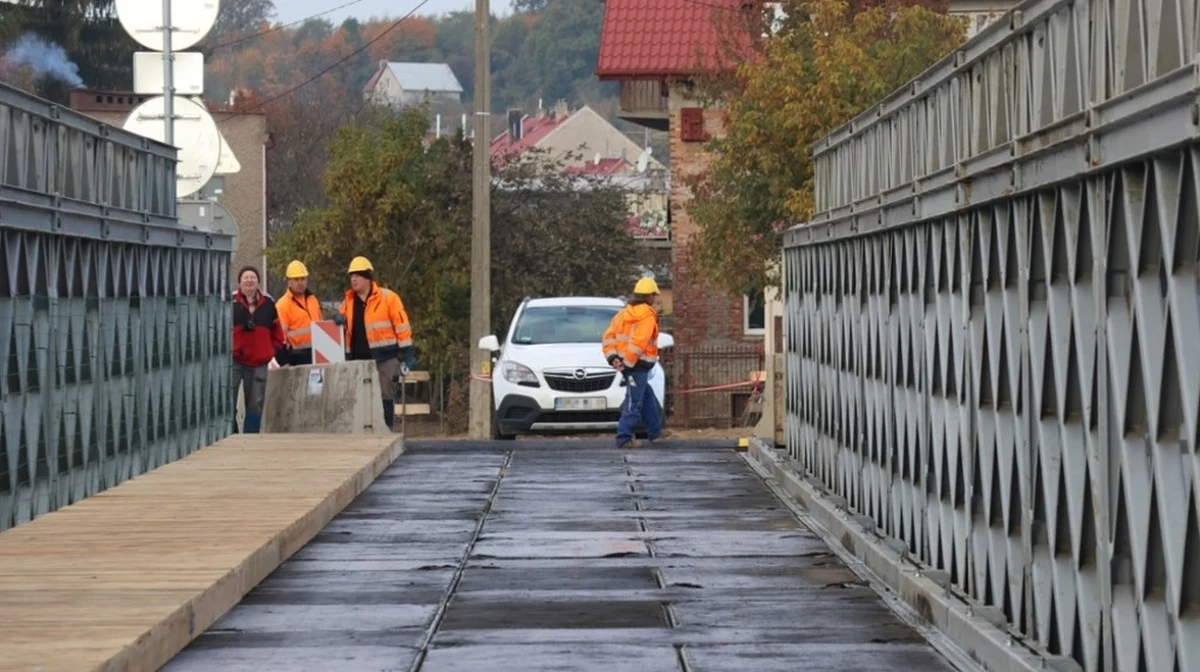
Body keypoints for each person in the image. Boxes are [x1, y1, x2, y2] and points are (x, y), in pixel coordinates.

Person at [334, 256, 415, 432]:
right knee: (358, 399)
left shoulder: (388, 298)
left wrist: (407, 353)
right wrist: (337, 319)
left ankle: (386, 431)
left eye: (357, 275)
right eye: (351, 276)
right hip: (356, 360)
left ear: (368, 278)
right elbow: (339, 326)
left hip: (384, 358)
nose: (353, 279)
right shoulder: (347, 302)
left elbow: (402, 326)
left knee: (385, 394)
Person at [602, 277, 664, 448]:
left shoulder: (621, 315)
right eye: (654, 295)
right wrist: (628, 363)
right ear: (649, 296)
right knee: (634, 401)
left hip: (627, 365)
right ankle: (624, 437)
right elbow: (639, 342)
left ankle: (655, 432)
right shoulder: (647, 316)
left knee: (647, 396)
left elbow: (608, 338)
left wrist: (614, 358)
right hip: (637, 365)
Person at [232, 265, 284, 433]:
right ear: (239, 282)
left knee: (255, 403)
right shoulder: (229, 301)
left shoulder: (268, 303)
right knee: (228, 399)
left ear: (258, 282)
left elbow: (277, 330)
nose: (249, 280)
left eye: (253, 277)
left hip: (258, 362)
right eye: (245, 277)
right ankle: (230, 434)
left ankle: (250, 436)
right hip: (234, 360)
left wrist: (268, 351)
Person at [274, 260, 323, 366]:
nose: (300, 283)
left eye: (303, 279)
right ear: (289, 281)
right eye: (296, 279)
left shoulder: (313, 300)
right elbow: (279, 337)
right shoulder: (283, 305)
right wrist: (284, 362)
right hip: (296, 357)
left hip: (318, 354)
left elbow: (320, 325)